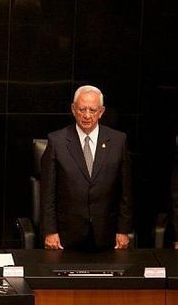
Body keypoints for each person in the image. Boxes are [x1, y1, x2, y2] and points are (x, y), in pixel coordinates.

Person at [41, 85, 132, 251]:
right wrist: (50, 231)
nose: (87, 115)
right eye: (82, 109)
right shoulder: (57, 141)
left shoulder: (118, 141)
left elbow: (125, 191)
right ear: (73, 109)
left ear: (101, 112)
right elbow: (48, 192)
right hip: (66, 235)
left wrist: (123, 230)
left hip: (107, 233)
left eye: (92, 110)